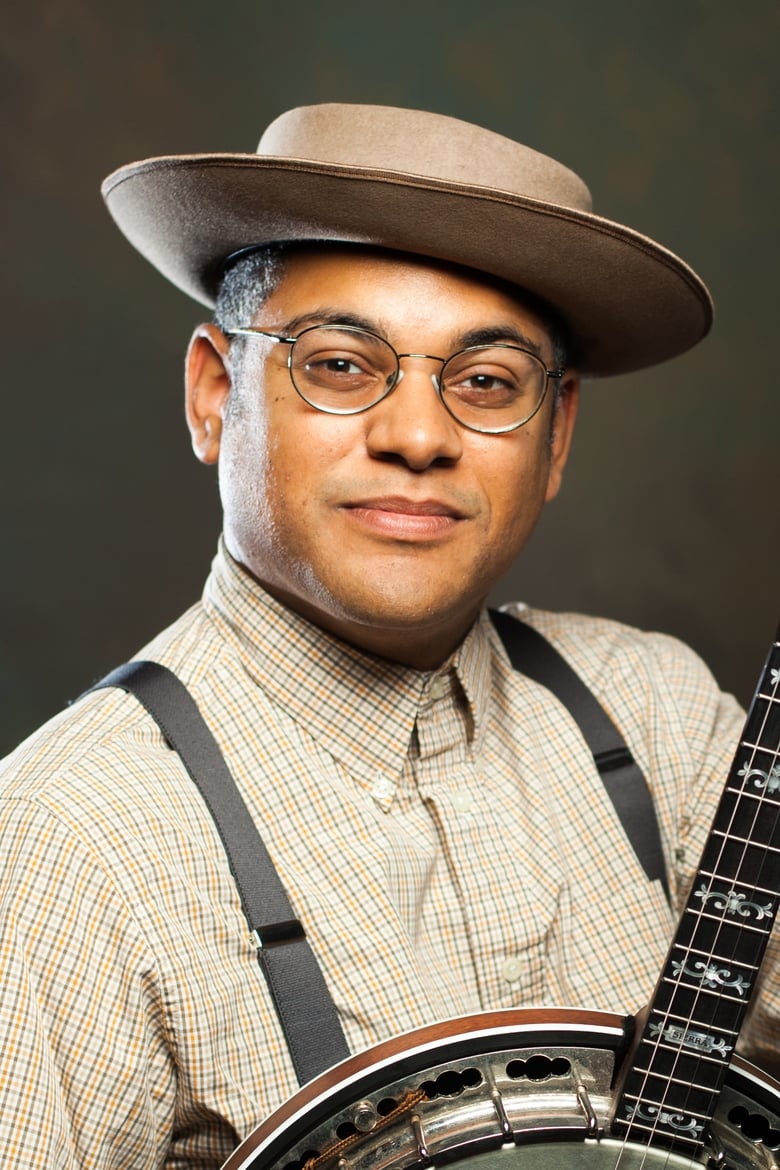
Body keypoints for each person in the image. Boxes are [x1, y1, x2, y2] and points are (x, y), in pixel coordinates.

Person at [0, 103, 777, 1168]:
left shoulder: (659, 715)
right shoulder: (75, 838)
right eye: (339, 364)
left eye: (488, 383)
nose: (418, 437)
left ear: (557, 439)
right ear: (216, 395)